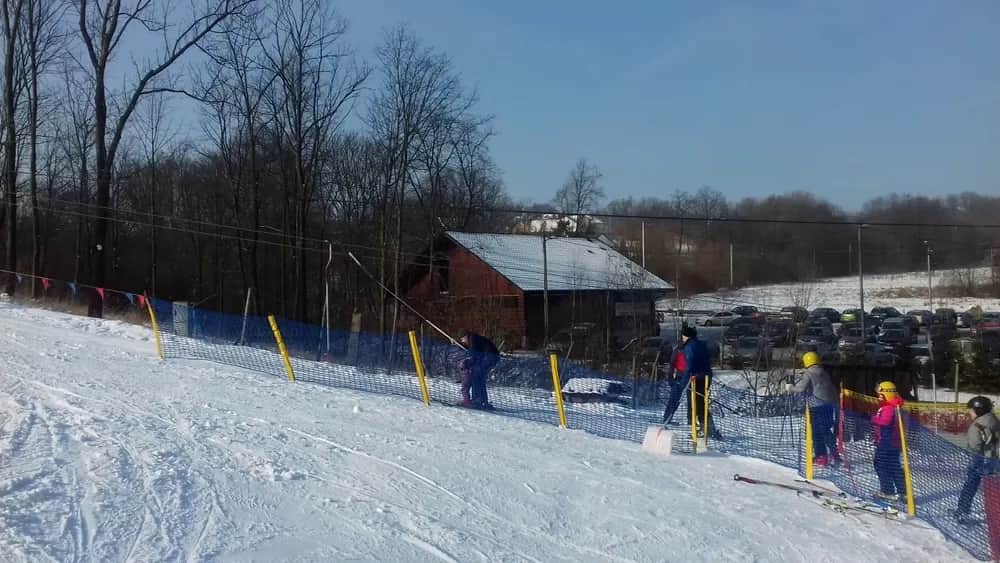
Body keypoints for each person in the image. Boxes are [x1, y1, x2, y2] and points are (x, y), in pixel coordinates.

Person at [791, 351, 840, 466]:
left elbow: (801, 388)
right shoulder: (824, 372)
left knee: (817, 432)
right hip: (829, 405)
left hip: (816, 406)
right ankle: (834, 453)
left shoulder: (808, 373)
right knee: (826, 430)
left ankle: (821, 455)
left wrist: (791, 388)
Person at [956, 396, 1000, 522]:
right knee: (993, 488)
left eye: (971, 411)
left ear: (978, 411)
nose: (969, 414)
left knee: (970, 484)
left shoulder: (976, 426)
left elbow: (974, 447)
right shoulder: (994, 419)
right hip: (996, 460)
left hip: (981, 461)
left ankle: (962, 511)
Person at [681, 325, 721, 440]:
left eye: (683, 336)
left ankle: (707, 430)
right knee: (702, 404)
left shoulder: (689, 347)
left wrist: (684, 382)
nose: (682, 338)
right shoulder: (700, 344)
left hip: (697, 379)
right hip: (706, 377)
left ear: (687, 336)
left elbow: (690, 364)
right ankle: (706, 428)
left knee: (698, 405)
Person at [871, 381, 907, 501]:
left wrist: (872, 418)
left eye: (880, 394)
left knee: (881, 464)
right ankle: (902, 492)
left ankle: (888, 491)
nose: (879, 396)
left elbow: (885, 422)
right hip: (894, 442)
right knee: (894, 466)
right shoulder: (894, 405)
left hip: (887, 442)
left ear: (887, 394)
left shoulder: (888, 407)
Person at [459, 330, 499, 410]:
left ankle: (477, 401)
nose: (463, 342)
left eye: (462, 340)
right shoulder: (475, 339)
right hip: (493, 356)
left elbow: (473, 355)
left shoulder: (472, 339)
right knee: (480, 378)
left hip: (489, 357)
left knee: (476, 376)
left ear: (465, 337)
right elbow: (471, 349)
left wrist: (467, 363)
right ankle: (483, 401)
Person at [660, 337, 688, 425]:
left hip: (691, 377)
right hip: (680, 376)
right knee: (674, 398)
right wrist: (670, 377)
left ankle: (692, 421)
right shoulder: (678, 350)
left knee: (693, 400)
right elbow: (672, 364)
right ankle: (667, 418)